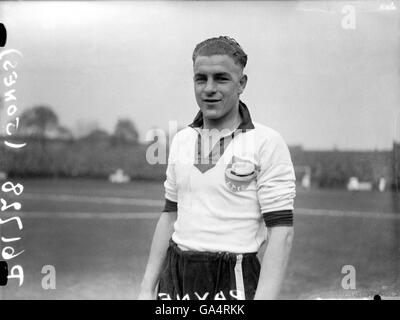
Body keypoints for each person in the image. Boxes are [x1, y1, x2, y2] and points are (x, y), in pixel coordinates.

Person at [138, 36, 296, 300]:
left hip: (233, 277)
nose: (209, 88)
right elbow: (169, 215)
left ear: (241, 83)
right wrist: (146, 288)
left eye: (221, 78)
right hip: (176, 277)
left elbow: (282, 232)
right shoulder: (181, 140)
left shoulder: (266, 142)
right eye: (201, 79)